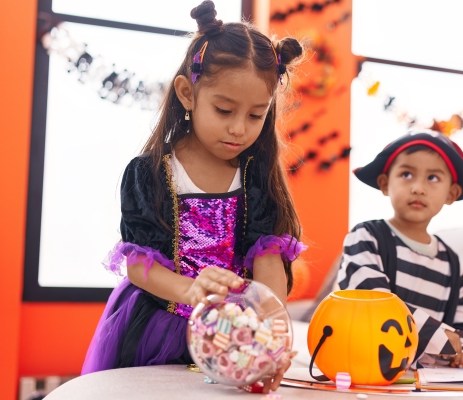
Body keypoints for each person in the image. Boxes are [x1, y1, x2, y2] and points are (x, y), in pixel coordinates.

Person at [82, 1, 306, 392]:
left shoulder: (256, 178)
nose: (239, 129)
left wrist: (271, 332)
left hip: (230, 336)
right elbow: (138, 265)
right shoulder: (149, 173)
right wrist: (190, 290)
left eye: (256, 115)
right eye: (224, 110)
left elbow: (269, 265)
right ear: (188, 93)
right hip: (157, 327)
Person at [338, 130, 463, 369]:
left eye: (433, 178)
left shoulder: (450, 261)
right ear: (385, 183)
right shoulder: (366, 237)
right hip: (366, 365)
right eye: (407, 174)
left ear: (451, 194)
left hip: (427, 380)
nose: (418, 188)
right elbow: (374, 302)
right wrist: (442, 338)